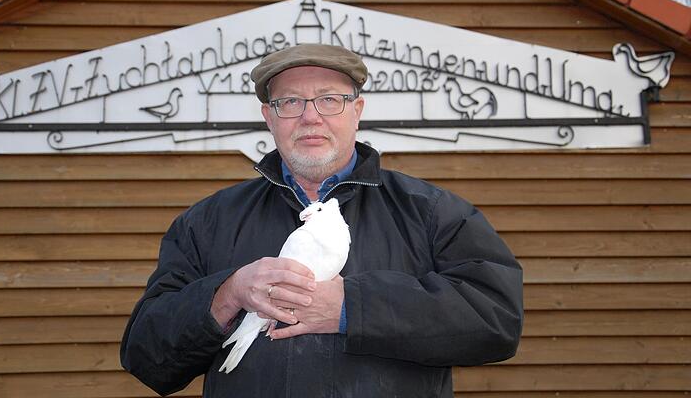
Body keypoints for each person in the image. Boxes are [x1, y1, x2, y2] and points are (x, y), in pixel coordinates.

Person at [120, 44, 523, 397]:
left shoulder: (431, 211)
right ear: (269, 116)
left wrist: (353, 308)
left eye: (330, 99)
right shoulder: (206, 222)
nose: (310, 117)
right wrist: (226, 295)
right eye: (290, 102)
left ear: (357, 111)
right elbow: (146, 357)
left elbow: (496, 320)